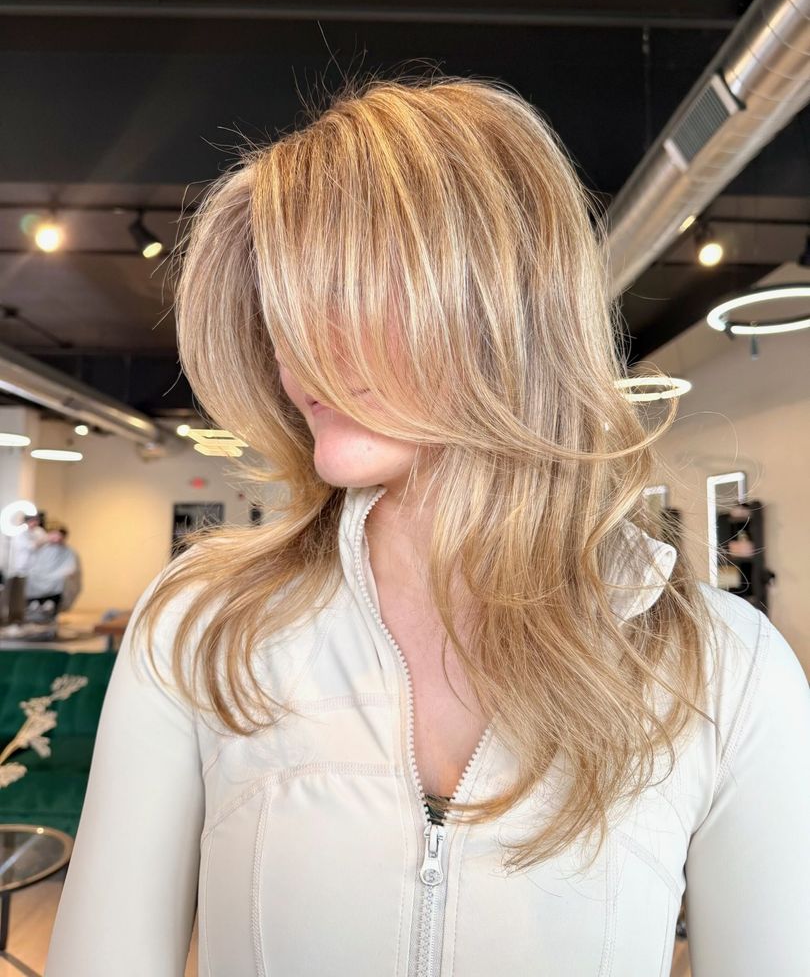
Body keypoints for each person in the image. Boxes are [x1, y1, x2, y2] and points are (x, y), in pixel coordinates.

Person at [45, 77, 810, 977]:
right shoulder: (203, 625)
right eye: (286, 312)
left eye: (350, 298)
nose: (299, 356)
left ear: (503, 308)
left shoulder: (720, 668)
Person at [25, 526, 79, 620]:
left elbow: (71, 566)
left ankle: (50, 604)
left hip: (57, 575)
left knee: (59, 580)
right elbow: (32, 560)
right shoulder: (42, 548)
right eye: (53, 534)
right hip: (39, 574)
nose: (56, 537)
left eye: (59, 535)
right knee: (30, 577)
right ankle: (34, 604)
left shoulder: (68, 551)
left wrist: (65, 572)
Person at [4, 511, 47, 623]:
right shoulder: (21, 533)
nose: (34, 523)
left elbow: (45, 545)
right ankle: (19, 614)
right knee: (21, 593)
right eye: (31, 521)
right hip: (22, 567)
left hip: (38, 568)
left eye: (36, 521)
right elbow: (30, 547)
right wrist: (39, 543)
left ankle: (35, 612)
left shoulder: (40, 532)